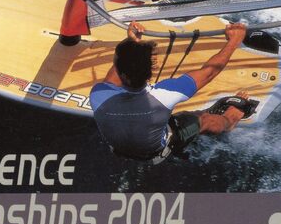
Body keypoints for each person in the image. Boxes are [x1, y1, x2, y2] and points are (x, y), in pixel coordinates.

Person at [90, 21, 253, 163]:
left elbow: (118, 72)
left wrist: (132, 42)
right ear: (151, 71)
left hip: (121, 150)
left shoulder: (99, 94)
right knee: (204, 120)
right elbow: (209, 72)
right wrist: (234, 40)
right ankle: (229, 120)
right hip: (156, 151)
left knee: (177, 116)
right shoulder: (164, 94)